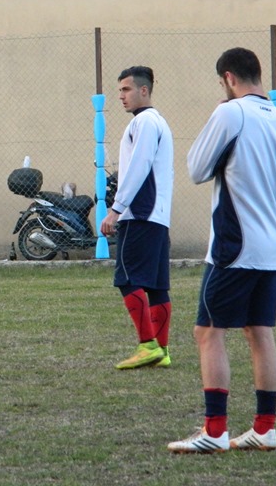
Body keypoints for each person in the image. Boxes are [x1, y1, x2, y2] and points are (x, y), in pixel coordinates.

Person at [169, 47, 276, 453]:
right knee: (260, 332)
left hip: (235, 247)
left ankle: (213, 432)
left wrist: (217, 117)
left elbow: (196, 168)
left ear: (228, 78)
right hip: (271, 248)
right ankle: (264, 428)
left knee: (208, 332)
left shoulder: (230, 114)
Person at [99, 66, 175, 370]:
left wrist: (117, 208)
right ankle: (163, 350)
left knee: (127, 279)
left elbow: (139, 167)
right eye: (119, 90)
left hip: (139, 214)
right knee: (156, 286)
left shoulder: (144, 122)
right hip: (156, 217)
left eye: (126, 90)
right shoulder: (159, 122)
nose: (121, 96)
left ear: (144, 91)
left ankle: (147, 345)